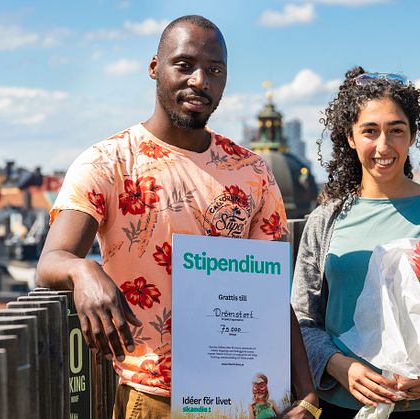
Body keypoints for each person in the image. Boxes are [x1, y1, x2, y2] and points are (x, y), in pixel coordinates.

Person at [36, 15, 318, 419]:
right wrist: (84, 272)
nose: (200, 80)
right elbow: (51, 260)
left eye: (214, 70)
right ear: (155, 67)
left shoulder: (252, 171)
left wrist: (307, 394)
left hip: (247, 399)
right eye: (184, 65)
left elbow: (270, 291)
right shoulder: (107, 162)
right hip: (154, 399)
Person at [290, 67, 420, 419]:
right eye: (370, 131)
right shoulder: (323, 221)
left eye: (396, 131)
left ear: (412, 135)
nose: (384, 146)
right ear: (349, 137)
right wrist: (337, 364)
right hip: (343, 406)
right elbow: (302, 319)